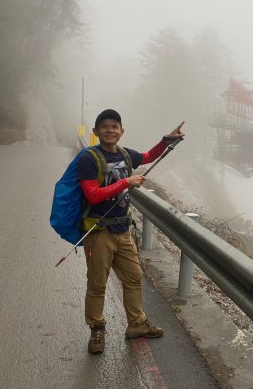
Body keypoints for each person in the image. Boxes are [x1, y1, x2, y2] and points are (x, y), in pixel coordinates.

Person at [77, 109, 184, 354]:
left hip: (122, 229)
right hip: (98, 230)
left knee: (133, 278)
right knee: (97, 284)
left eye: (115, 126)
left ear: (122, 131)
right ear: (96, 132)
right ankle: (96, 330)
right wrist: (126, 182)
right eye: (105, 126)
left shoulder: (125, 155)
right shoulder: (89, 159)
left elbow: (147, 157)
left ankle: (136, 324)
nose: (110, 130)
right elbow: (92, 194)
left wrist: (167, 140)